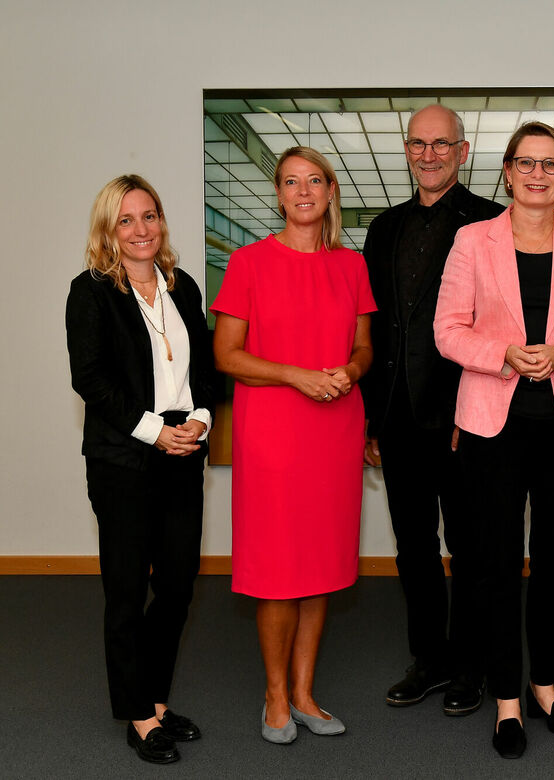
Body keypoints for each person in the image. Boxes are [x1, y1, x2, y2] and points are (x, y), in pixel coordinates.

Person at [434, 121, 554, 759]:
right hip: (492, 422)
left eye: (551, 164)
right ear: (507, 171)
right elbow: (448, 331)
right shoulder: (471, 240)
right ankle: (506, 698)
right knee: (495, 561)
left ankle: (545, 685)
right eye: (526, 164)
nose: (538, 175)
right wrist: (504, 354)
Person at [211, 146, 375, 744]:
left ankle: (305, 692)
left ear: (331, 191)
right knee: (279, 567)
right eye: (290, 182)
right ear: (278, 194)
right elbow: (227, 355)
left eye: (314, 181)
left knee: (320, 564)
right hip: (274, 432)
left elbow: (364, 349)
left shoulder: (352, 266)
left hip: (334, 427)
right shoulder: (249, 262)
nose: (303, 191)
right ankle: (275, 695)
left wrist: (349, 374)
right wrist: (296, 374)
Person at [66, 174, 216, 764]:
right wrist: (155, 431)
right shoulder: (91, 291)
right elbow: (91, 379)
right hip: (125, 457)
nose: (140, 229)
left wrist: (200, 420)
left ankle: (155, 698)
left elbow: (203, 369)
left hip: (183, 449)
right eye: (126, 220)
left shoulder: (183, 288)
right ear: (109, 229)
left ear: (162, 222)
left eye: (149, 216)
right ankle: (138, 715)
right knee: (126, 590)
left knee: (178, 586)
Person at [362, 104, 504, 716]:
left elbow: (497, 326)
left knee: (472, 548)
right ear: (407, 149)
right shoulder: (382, 228)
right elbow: (376, 331)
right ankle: (430, 659)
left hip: (462, 420)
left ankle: (472, 667)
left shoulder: (491, 223)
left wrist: (467, 413)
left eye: (441, 144)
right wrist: (372, 419)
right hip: (396, 420)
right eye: (418, 144)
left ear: (462, 151)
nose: (429, 154)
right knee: (413, 547)